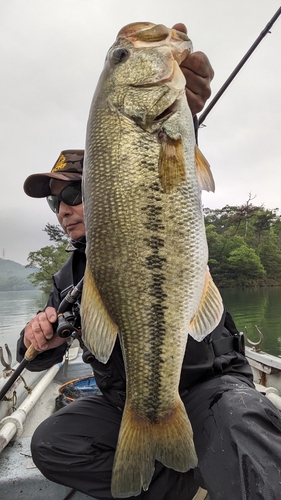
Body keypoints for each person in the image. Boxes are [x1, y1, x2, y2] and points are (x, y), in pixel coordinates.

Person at [17, 24, 281, 500]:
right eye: (53, 203)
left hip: (209, 385)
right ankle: (187, 484)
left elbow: (165, 166)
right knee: (54, 443)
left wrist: (186, 116)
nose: (64, 209)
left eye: (73, 193)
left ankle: (207, 466)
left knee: (246, 427)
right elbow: (49, 351)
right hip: (124, 400)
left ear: (102, 183)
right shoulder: (70, 277)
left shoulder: (150, 165)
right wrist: (36, 339)